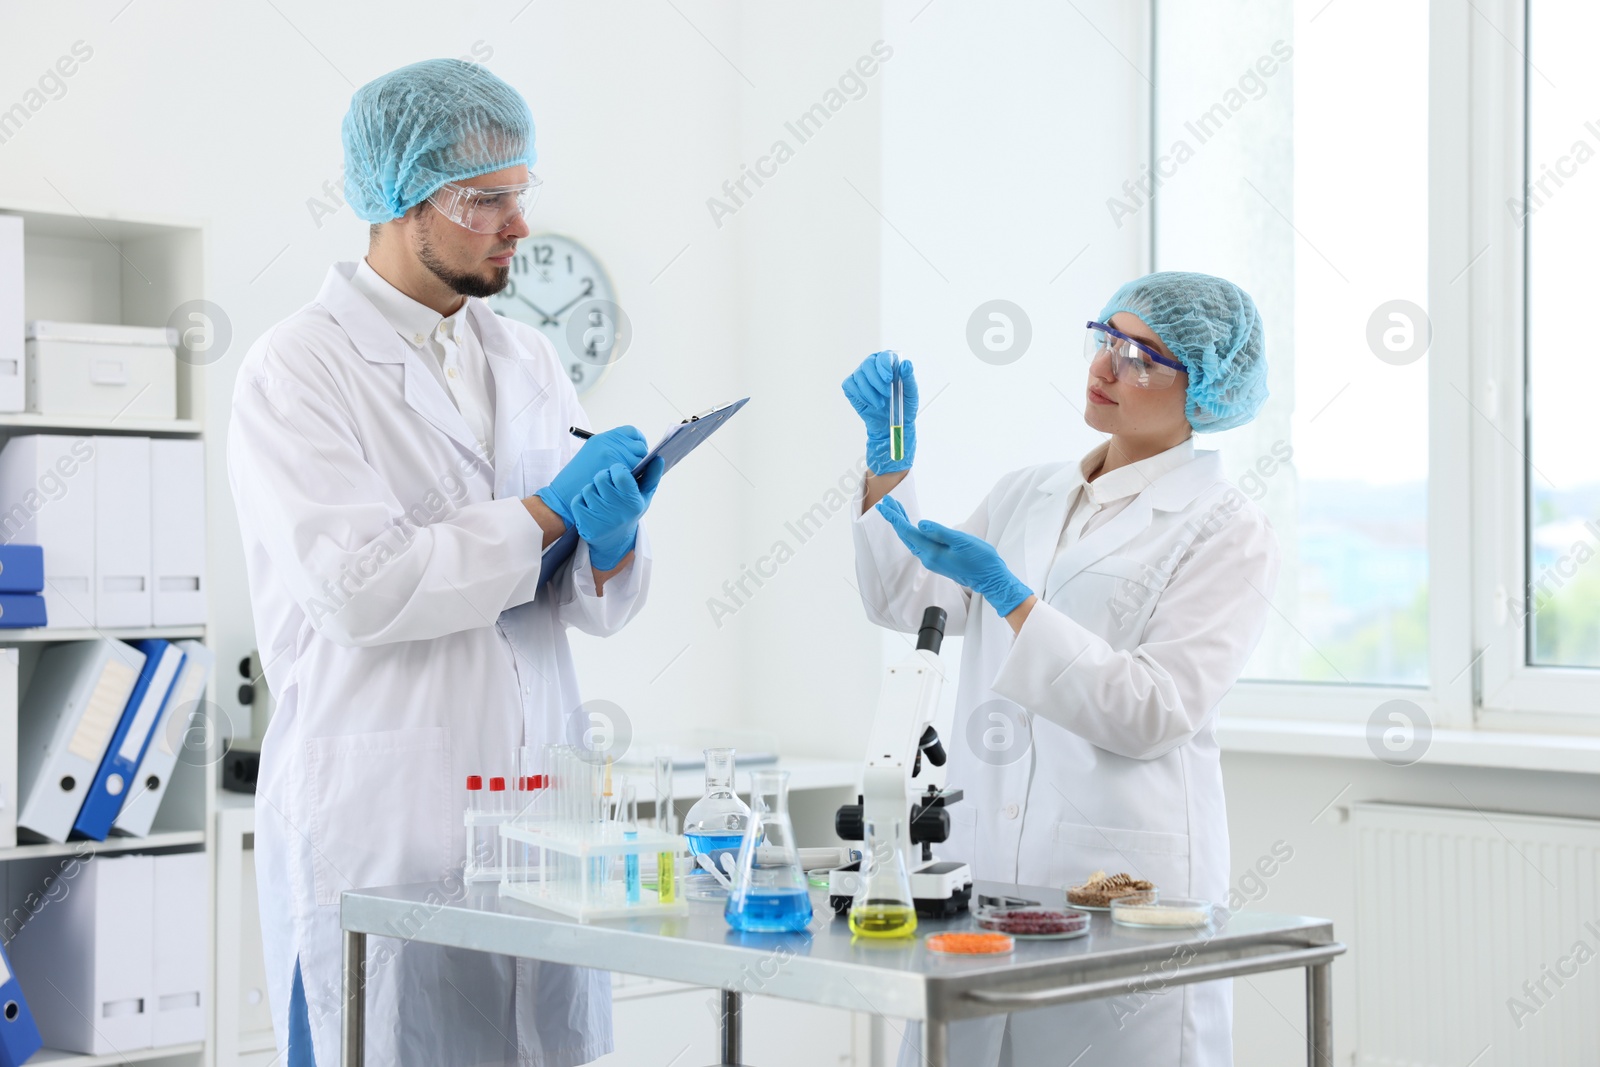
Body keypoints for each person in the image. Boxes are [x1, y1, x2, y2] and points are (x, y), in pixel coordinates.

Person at [229, 59, 661, 1067]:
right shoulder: (298, 366)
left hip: (537, 820)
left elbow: (586, 607)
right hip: (381, 814)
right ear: (397, 202)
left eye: (521, 193)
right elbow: (359, 586)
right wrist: (547, 512)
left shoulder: (528, 359)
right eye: (485, 200)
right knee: (386, 1036)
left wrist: (611, 541)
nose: (518, 225)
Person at [843, 271, 1279, 1066]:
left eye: (1142, 356)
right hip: (991, 875)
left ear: (1206, 389)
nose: (1105, 368)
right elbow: (905, 598)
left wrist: (1014, 600)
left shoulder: (1226, 527)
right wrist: (889, 467)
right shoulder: (1028, 494)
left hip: (1126, 887)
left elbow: (1155, 707)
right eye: (1105, 339)